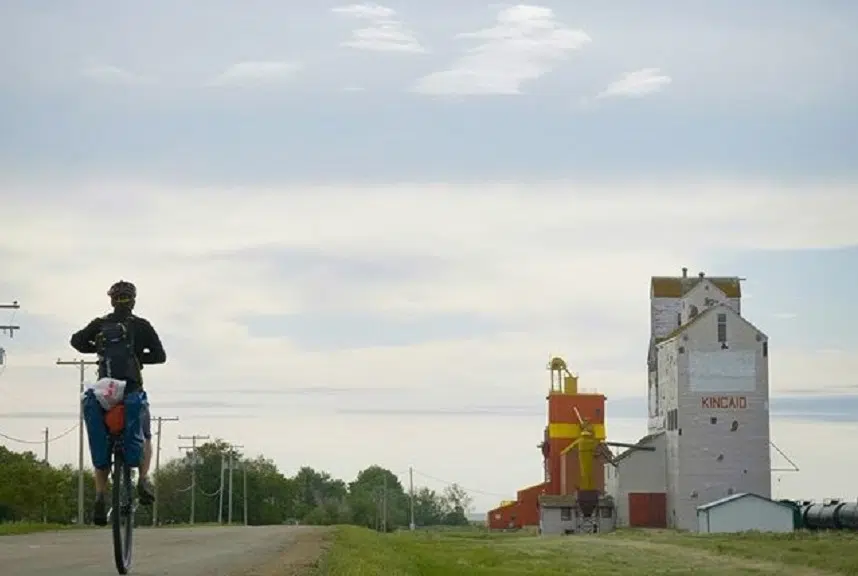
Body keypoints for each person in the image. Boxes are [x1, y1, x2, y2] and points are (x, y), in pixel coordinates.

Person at [70, 280, 166, 526]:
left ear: (111, 300)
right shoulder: (141, 326)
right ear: (133, 300)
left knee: (103, 437)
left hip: (107, 391)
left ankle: (101, 495)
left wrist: (98, 350)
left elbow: (76, 341)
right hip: (132, 389)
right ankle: (143, 478)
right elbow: (160, 356)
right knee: (145, 435)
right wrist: (137, 356)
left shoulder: (101, 324)